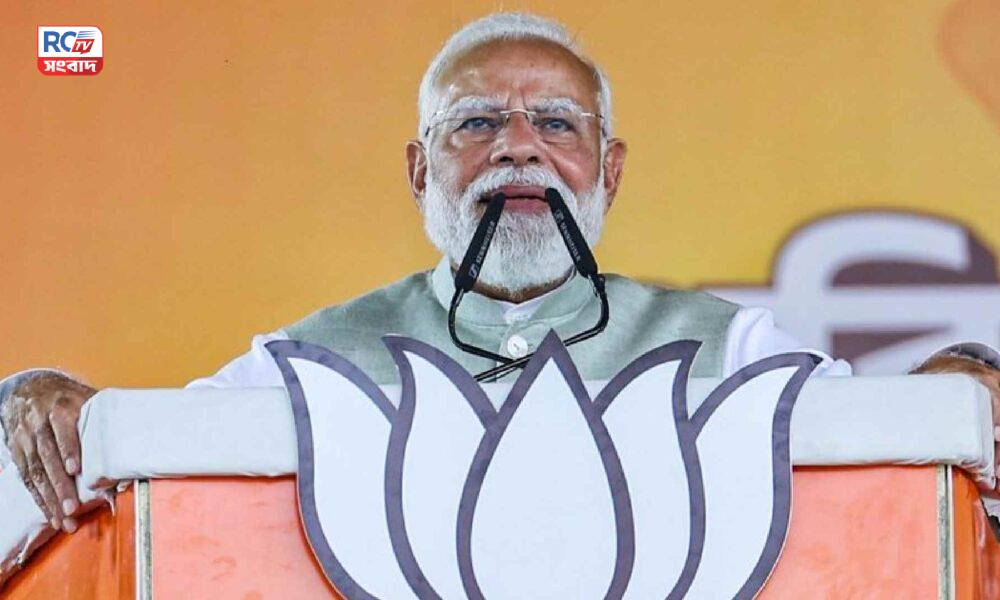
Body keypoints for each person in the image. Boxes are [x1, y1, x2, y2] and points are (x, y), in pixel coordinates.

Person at [2, 12, 999, 541]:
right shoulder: (307, 360)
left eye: (556, 124)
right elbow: (132, 464)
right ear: (419, 170)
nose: (518, 148)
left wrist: (963, 376)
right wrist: (39, 402)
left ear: (608, 170)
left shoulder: (731, 348)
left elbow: (890, 447)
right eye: (476, 122)